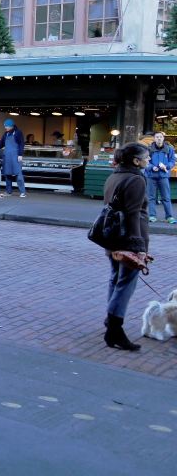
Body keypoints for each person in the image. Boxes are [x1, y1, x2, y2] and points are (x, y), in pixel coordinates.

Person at [102, 142, 151, 352]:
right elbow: (133, 214)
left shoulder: (114, 176)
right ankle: (114, 328)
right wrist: (139, 247)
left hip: (112, 237)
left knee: (115, 279)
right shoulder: (136, 179)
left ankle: (110, 321)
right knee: (126, 283)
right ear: (136, 161)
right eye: (146, 157)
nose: (149, 160)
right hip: (128, 239)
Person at [145, 131, 176, 224]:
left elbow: (172, 161)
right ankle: (152, 216)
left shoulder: (169, 149)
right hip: (151, 176)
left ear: (163, 138)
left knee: (166, 197)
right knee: (151, 197)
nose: (159, 138)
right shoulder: (149, 149)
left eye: (160, 137)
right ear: (154, 138)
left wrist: (167, 166)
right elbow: (145, 161)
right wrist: (151, 167)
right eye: (157, 137)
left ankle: (169, 216)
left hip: (163, 176)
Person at [0, 119, 27, 197]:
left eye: (6, 126)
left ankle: (23, 192)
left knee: (18, 174)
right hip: (7, 157)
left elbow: (21, 144)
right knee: (7, 174)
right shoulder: (6, 134)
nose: (5, 128)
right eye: (5, 126)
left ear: (11, 126)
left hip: (15, 157)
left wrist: (20, 154)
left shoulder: (18, 133)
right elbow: (0, 144)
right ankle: (8, 191)